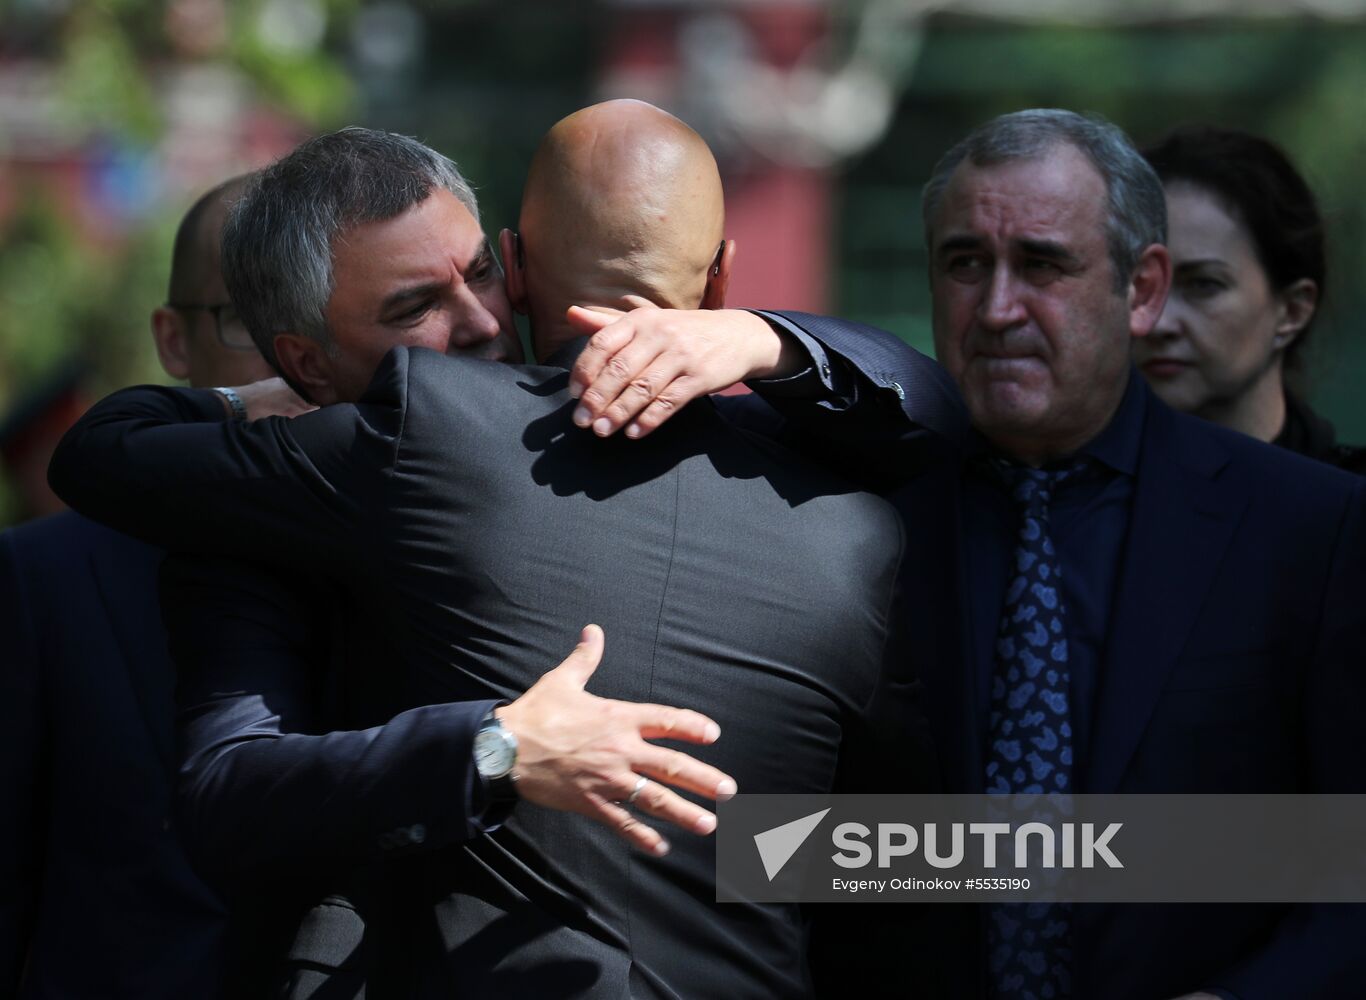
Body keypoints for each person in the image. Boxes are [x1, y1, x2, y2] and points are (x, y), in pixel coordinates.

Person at [48, 104, 933, 997]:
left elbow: (108, 446)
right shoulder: (854, 527)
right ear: (723, 272)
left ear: (511, 264)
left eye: (475, 276)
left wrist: (765, 338)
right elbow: (882, 858)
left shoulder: (424, 433)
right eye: (414, 307)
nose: (473, 324)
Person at [568, 108, 1366, 1000]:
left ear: (1142, 290)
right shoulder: (834, 507)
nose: (997, 308)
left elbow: (1350, 864)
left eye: (1044, 264)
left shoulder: (1308, 528)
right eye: (965, 264)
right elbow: (765, 846)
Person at [0, 175, 300, 999]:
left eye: (317, 313)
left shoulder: (431, 549)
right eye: (245, 318)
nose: (290, 355)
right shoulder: (44, 581)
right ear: (174, 341)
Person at [1136, 124, 1365, 472]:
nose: (1159, 322)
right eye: (1141, 286)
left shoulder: (1346, 508)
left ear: (1292, 310)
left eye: (1203, 285)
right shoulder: (1056, 500)